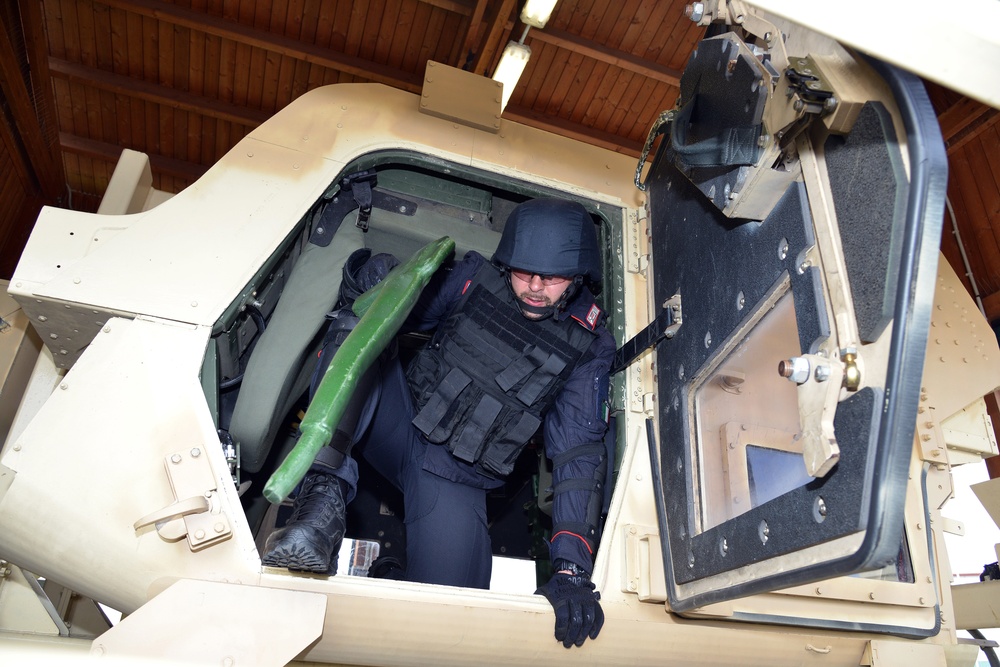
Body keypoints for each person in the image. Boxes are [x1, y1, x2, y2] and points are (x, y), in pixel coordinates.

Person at [262, 197, 613, 648]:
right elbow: (394, 307)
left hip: (456, 479)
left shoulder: (589, 345)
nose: (535, 288)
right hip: (397, 427)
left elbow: (577, 454)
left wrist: (570, 569)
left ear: (581, 276)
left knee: (446, 633)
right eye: (524, 271)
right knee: (359, 323)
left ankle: (391, 572)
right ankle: (321, 502)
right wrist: (370, 281)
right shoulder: (472, 279)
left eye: (553, 277)